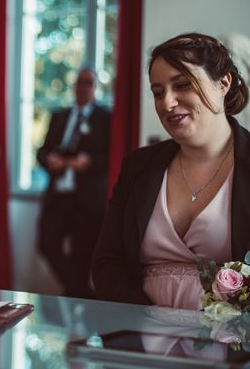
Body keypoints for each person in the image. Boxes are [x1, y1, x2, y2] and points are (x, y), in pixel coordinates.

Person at [92, 32, 250, 309]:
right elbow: (107, 262)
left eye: (182, 85)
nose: (167, 103)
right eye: (158, 92)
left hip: (231, 343)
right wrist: (143, 321)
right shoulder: (138, 166)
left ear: (223, 83)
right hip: (141, 336)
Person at [36, 68, 111, 299]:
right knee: (47, 244)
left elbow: (110, 156)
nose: (83, 87)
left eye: (88, 83)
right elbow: (42, 151)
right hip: (58, 195)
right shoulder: (59, 116)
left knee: (83, 253)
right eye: (79, 82)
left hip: (87, 199)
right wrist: (49, 159)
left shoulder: (106, 117)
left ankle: (76, 300)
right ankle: (80, 294)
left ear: (96, 87)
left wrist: (87, 162)